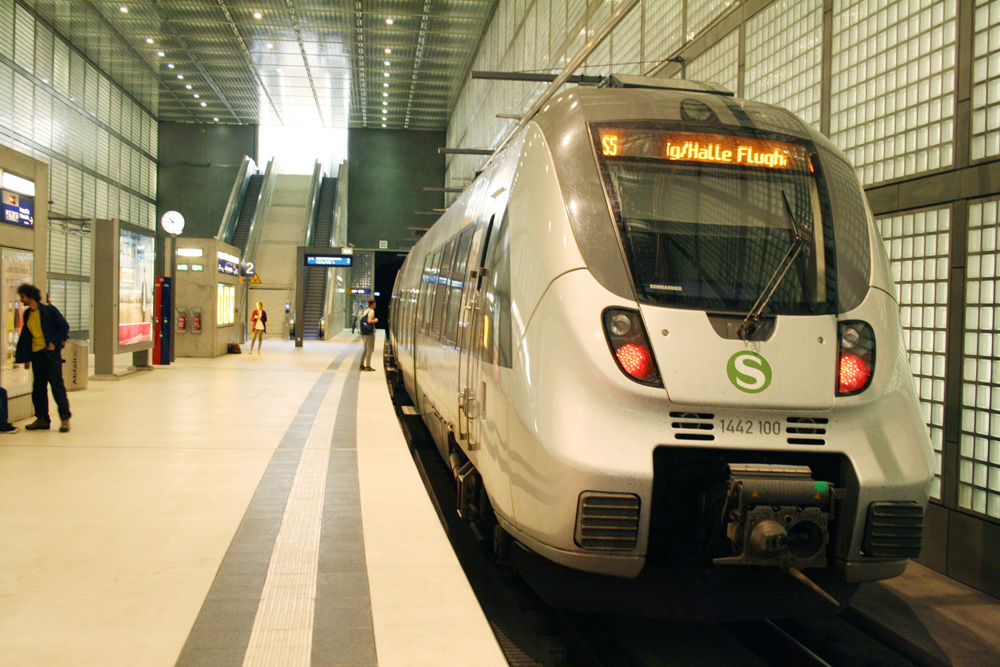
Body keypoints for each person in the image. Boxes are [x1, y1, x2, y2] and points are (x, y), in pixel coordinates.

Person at [15, 283, 71, 432]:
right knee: (38, 388)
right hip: (36, 354)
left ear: (30, 297)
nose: (21, 300)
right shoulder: (27, 314)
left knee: (56, 386)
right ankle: (42, 419)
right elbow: (26, 336)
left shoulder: (48, 310)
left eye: (23, 297)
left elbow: (64, 326)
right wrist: (25, 357)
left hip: (50, 353)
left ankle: (64, 418)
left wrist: (54, 342)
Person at [359, 299, 377, 372]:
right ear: (372, 304)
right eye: (374, 303)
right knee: (369, 350)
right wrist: (375, 320)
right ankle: (368, 366)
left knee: (365, 349)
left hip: (364, 333)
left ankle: (361, 365)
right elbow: (369, 321)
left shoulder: (366, 311)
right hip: (369, 333)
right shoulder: (371, 311)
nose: (375, 305)